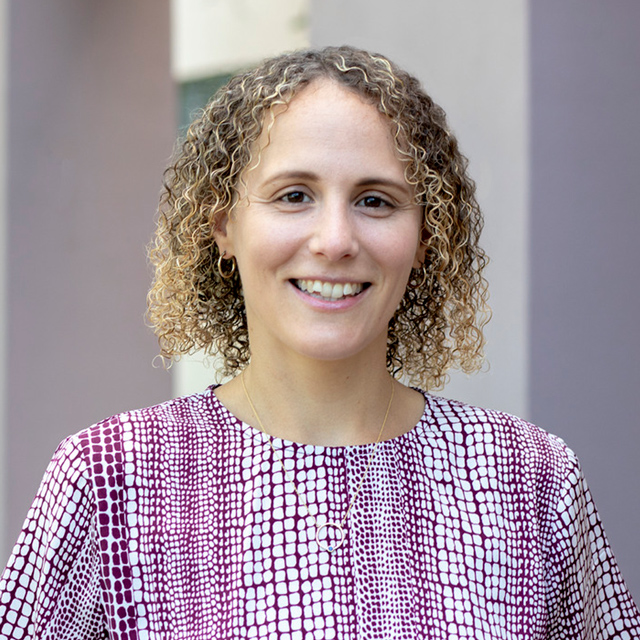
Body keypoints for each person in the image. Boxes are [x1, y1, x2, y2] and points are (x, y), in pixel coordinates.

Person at [0, 46, 638, 640]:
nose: (335, 240)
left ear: (425, 238)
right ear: (222, 224)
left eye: (376, 201)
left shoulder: (532, 482)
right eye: (294, 195)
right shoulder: (110, 481)